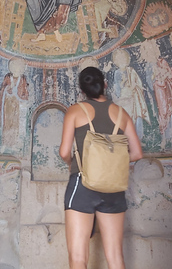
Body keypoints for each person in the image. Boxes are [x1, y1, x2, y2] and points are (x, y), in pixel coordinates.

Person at [59, 66, 143, 269]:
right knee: (115, 257)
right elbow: (138, 153)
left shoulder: (75, 110)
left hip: (82, 185)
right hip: (114, 188)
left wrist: (75, 164)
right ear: (104, 84)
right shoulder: (122, 113)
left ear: (82, 90)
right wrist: (112, 163)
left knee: (78, 257)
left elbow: (64, 152)